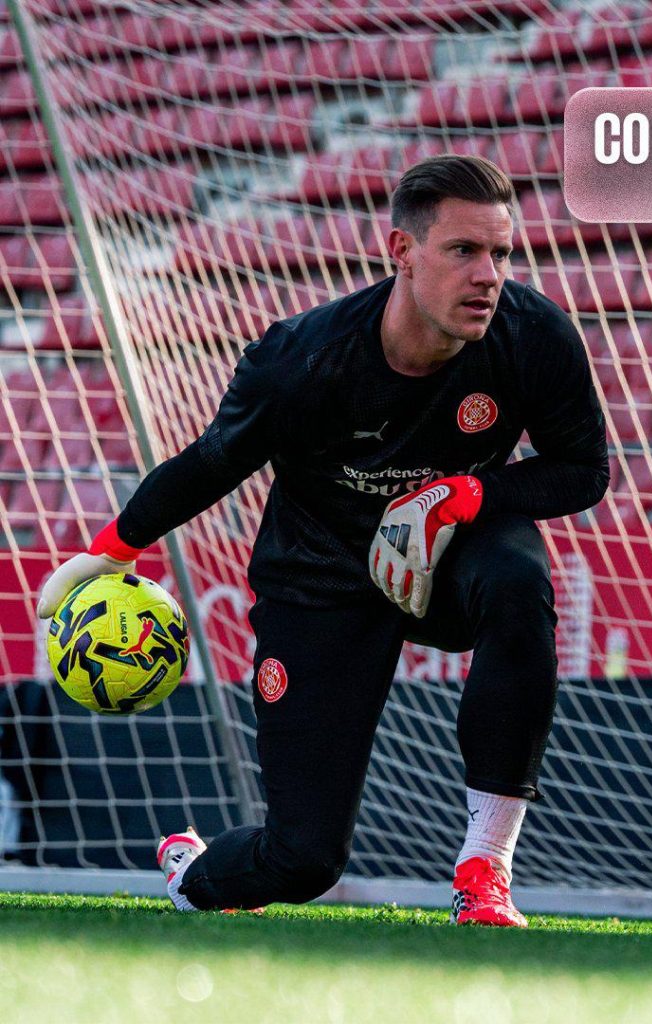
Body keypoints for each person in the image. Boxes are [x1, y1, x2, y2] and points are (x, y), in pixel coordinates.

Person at [36, 155, 609, 926]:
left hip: (448, 555)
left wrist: (475, 491)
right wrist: (111, 551)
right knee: (302, 859)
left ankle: (486, 870)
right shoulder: (301, 358)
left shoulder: (533, 336)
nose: (490, 275)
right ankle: (191, 871)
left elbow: (584, 470)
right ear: (401, 253)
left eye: (501, 253)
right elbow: (213, 461)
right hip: (320, 579)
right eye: (464, 251)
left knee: (516, 580)